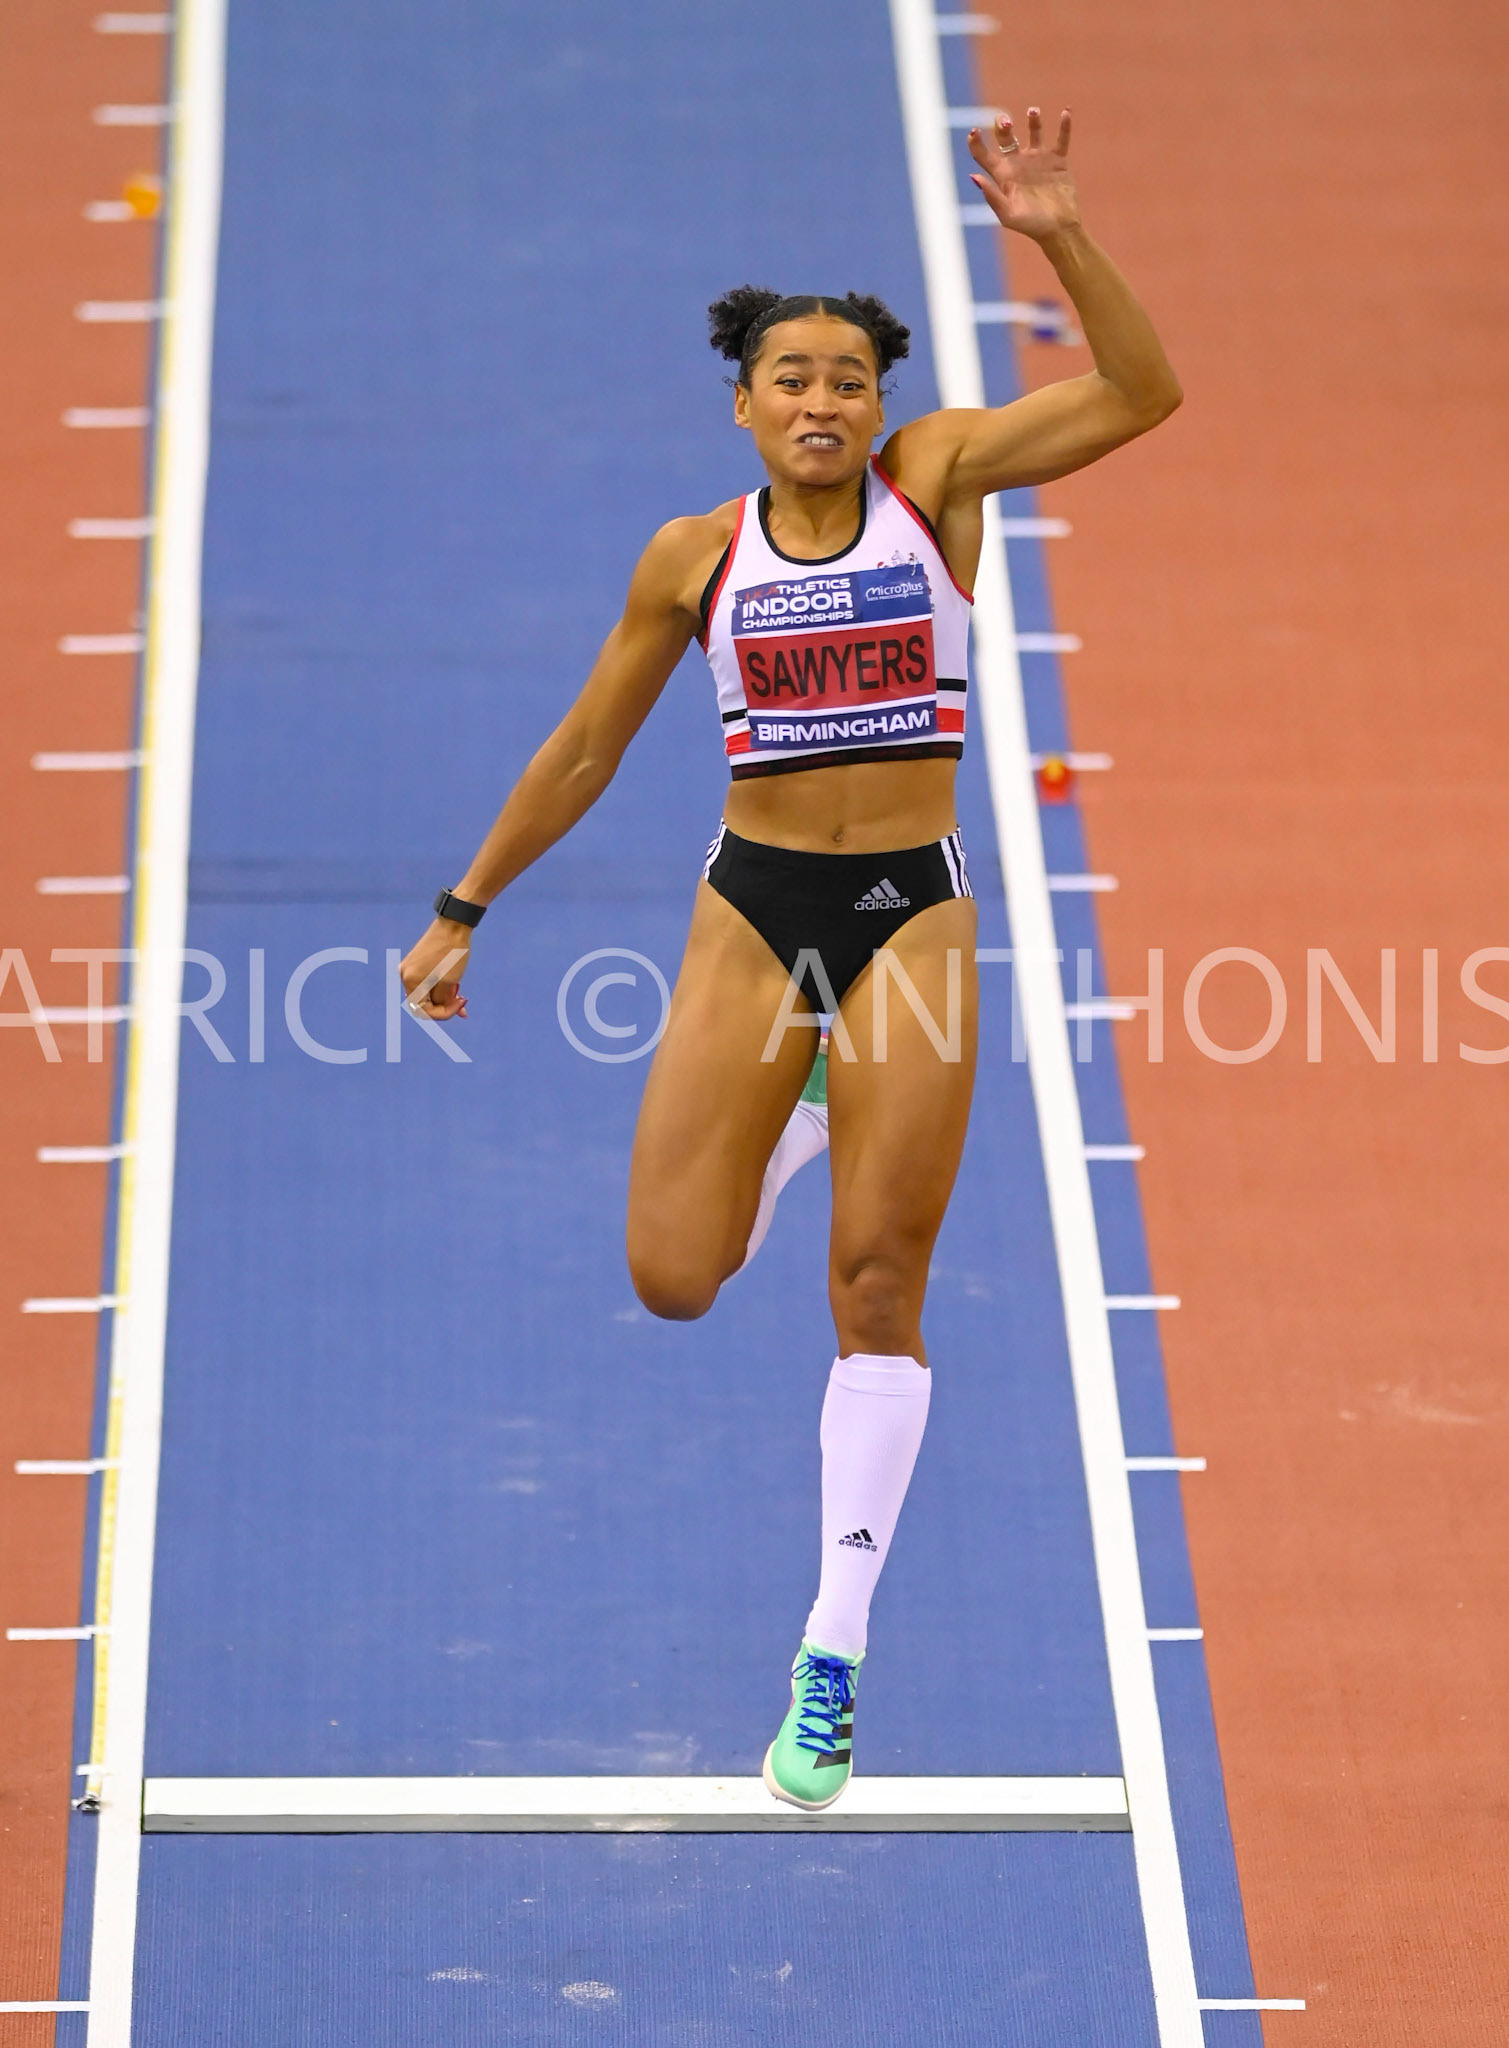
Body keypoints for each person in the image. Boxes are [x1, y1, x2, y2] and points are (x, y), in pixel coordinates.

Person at [400, 108, 1180, 1810]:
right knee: (676, 1277)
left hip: (911, 915)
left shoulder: (939, 483)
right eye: (788, 377)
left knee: (873, 1291)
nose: (820, 399)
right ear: (742, 403)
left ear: (877, 403)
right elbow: (586, 750)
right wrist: (465, 906)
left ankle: (831, 1649)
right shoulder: (697, 558)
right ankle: (805, 1104)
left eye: (846, 375)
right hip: (754, 911)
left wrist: (1054, 234)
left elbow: (1140, 397)